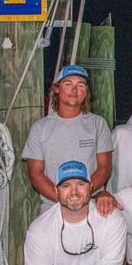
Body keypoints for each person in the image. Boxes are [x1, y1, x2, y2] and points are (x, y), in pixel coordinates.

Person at [23, 65, 114, 212]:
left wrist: (82, 197)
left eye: (80, 85)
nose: (74, 90)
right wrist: (64, 199)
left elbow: (104, 168)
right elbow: (36, 174)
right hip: (53, 206)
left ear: (86, 91)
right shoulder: (40, 128)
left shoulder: (98, 124)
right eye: (68, 84)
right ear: (57, 89)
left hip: (90, 204)